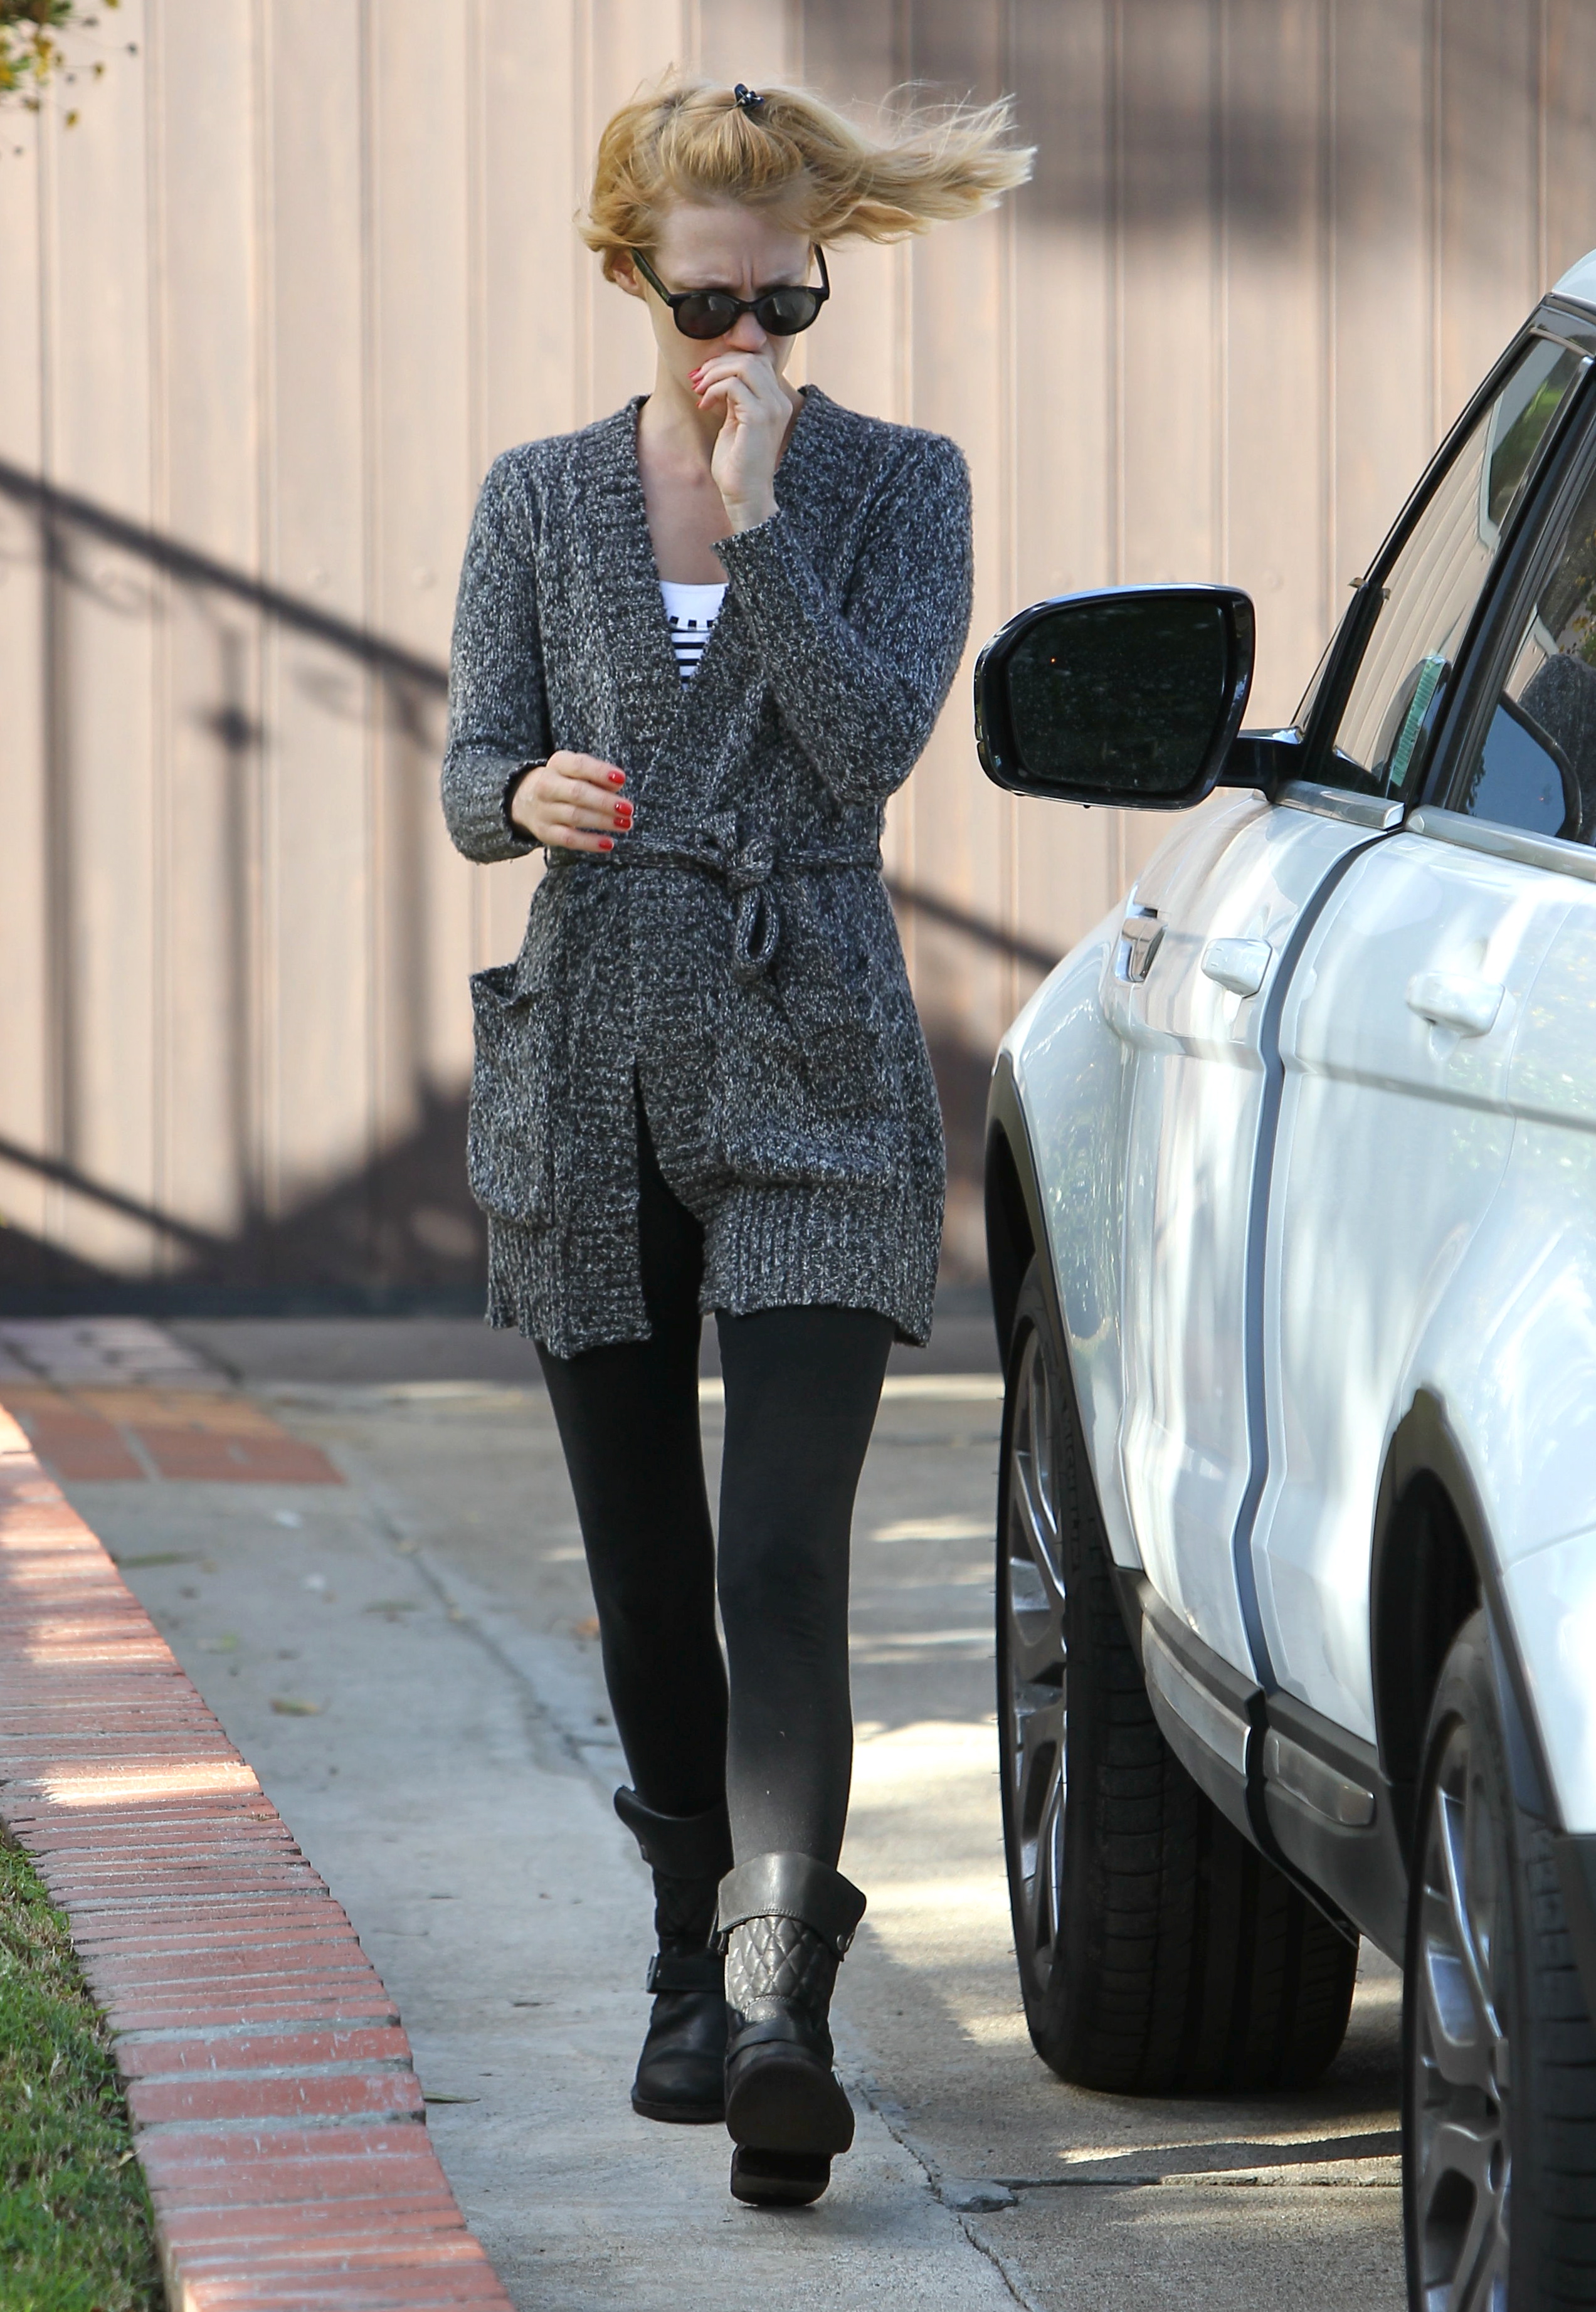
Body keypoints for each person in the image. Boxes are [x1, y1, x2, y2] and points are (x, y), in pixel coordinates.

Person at [441, 72, 1030, 2209]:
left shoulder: (895, 483)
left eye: (789, 299)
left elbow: (868, 744)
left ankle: (781, 2013)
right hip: (588, 1058)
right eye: (713, 302)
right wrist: (520, 799)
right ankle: (684, 1965)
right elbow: (473, 765)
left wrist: (761, 506)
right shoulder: (535, 497)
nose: (750, 340)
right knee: (642, 1571)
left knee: (778, 1552)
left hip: (813, 1059)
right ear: (633, 274)